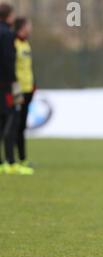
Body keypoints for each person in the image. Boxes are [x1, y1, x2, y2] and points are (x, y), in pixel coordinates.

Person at [0, 3, 32, 176]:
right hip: (13, 86)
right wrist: (14, 85)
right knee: (13, 120)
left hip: (16, 85)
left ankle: (8, 161)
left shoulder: (21, 42)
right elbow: (9, 64)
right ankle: (11, 162)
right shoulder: (8, 36)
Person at [14, 17, 35, 168]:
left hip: (28, 89)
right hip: (17, 90)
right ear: (22, 27)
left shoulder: (26, 43)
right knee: (13, 125)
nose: (31, 28)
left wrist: (34, 84)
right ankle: (11, 159)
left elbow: (27, 68)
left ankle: (22, 159)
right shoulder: (13, 43)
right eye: (29, 25)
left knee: (21, 126)